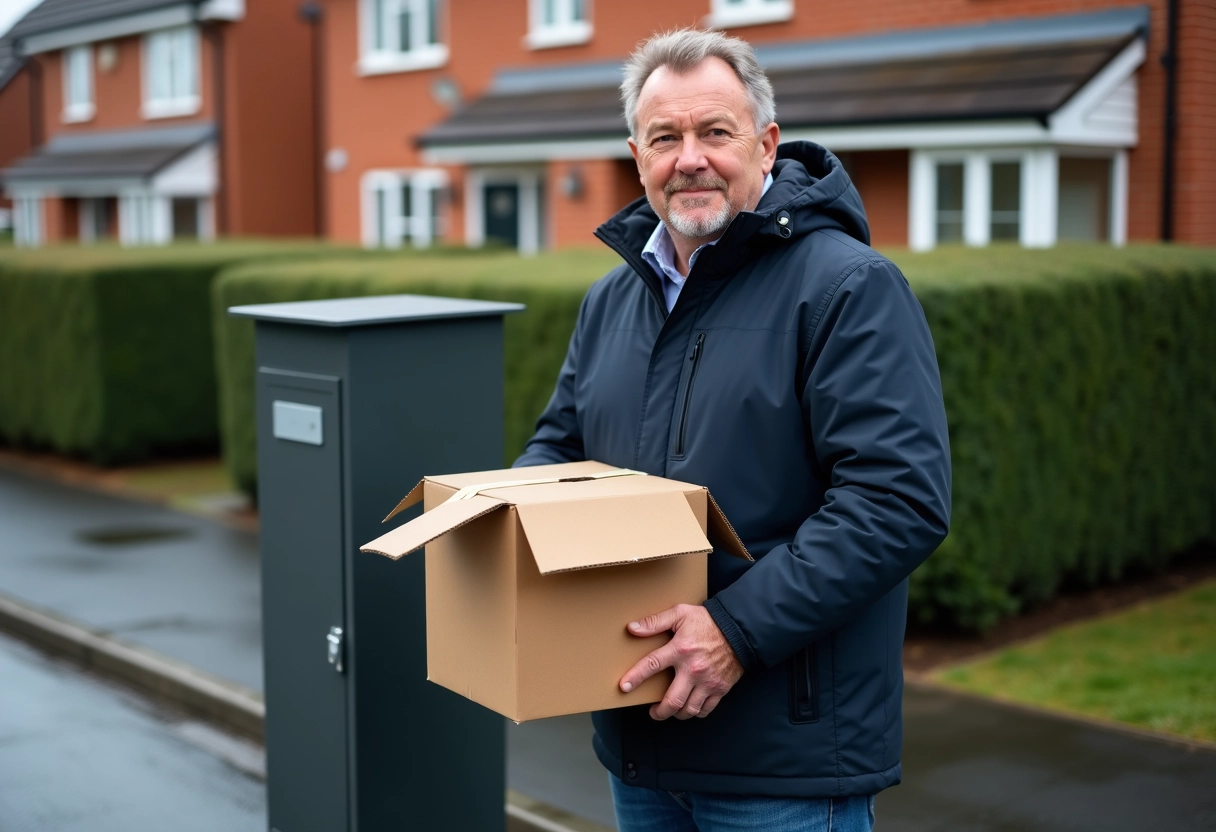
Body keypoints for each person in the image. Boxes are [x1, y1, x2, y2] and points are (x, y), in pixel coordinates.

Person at [514, 27, 951, 832]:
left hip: (783, 757)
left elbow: (897, 501)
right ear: (636, 154)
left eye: (715, 132)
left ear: (766, 143)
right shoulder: (612, 302)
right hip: (638, 739)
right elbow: (561, 449)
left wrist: (735, 631)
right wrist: (509, 532)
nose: (691, 158)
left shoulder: (849, 289)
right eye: (665, 138)